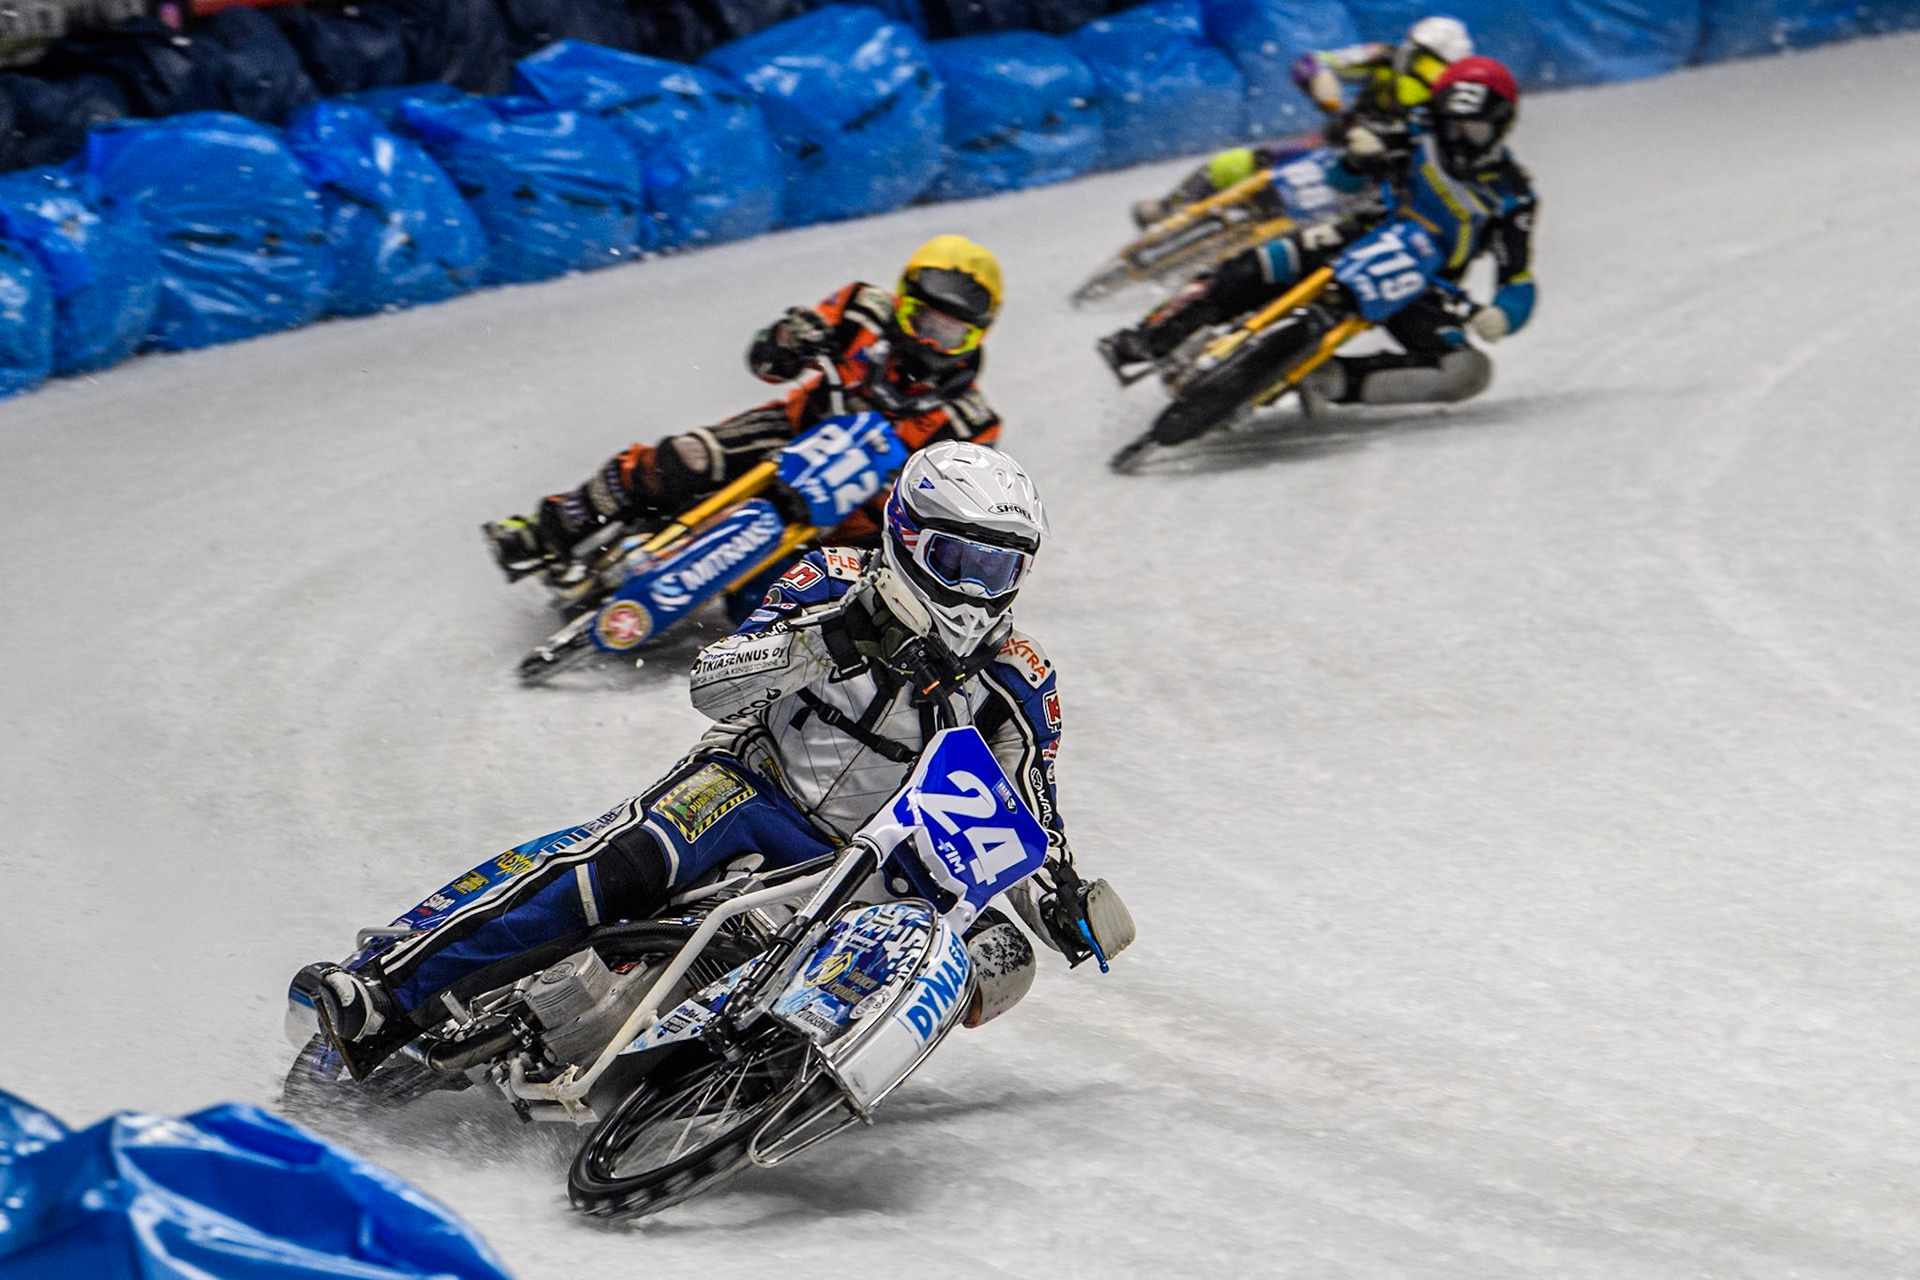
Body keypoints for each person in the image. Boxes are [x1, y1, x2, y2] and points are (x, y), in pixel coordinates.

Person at [293, 444, 1135, 1079]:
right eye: (962, 562)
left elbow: (1026, 811)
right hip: (752, 781)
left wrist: (1061, 894)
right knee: (620, 861)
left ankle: (773, 1079)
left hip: (873, 861)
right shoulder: (830, 579)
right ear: (908, 540)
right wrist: (828, 643)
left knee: (998, 962)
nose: (980, 590)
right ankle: (385, 993)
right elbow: (712, 684)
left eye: (1002, 568)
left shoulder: (1021, 679)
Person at [484, 235, 1007, 580]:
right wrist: (791, 338)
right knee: (681, 459)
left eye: (952, 333)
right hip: (790, 431)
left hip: (859, 515)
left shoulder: (973, 422)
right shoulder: (860, 308)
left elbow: (945, 523)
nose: (933, 343)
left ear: (977, 336)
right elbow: (767, 362)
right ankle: (548, 529)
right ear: (902, 301)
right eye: (923, 321)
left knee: (838, 596)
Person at [1099, 56, 1536, 412]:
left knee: (1467, 371)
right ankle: (1154, 334)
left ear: (1501, 126)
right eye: (1451, 125)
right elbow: (1342, 184)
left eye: (1473, 129)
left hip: (1421, 286)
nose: (1459, 139)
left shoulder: (1514, 195)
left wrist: (1504, 313)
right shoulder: (1413, 135)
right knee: (1262, 263)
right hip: (1357, 236)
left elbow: (1517, 278)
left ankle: (1330, 379)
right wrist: (1355, 161)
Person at [1128, 15, 1474, 229]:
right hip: (1336, 144)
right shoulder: (1383, 56)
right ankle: (1171, 207)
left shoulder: (1459, 101)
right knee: (1241, 163)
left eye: (1432, 64)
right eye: (1418, 56)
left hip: (1390, 182)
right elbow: (1311, 63)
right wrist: (1324, 86)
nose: (1419, 68)